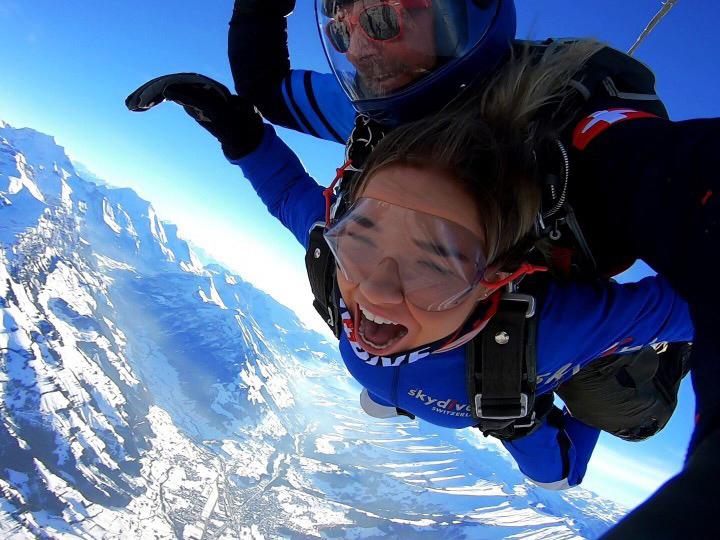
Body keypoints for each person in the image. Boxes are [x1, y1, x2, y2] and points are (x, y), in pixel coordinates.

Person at [227, 2, 720, 534]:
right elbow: (273, 108)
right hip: (449, 366)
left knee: (608, 410)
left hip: (519, 361)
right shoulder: (381, 104)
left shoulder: (586, 158)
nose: (360, 50)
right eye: (340, 31)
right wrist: (241, 131)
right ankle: (404, 385)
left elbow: (677, 202)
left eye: (381, 19)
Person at [125, 57, 693, 493]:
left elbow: (691, 304)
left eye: (433, 266)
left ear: (496, 277)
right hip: (433, 385)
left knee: (566, 463)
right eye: (360, 239)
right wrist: (233, 125)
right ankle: (400, 389)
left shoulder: (556, 331)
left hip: (521, 383)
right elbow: (287, 194)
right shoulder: (337, 258)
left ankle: (634, 379)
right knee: (383, 386)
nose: (372, 288)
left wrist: (529, 413)